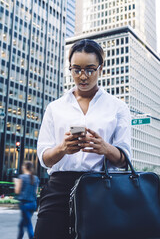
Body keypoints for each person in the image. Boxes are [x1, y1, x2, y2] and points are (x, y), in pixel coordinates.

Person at [34, 39, 131, 239]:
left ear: (100, 69)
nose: (82, 76)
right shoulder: (55, 107)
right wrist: (62, 148)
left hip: (101, 188)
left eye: (90, 69)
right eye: (76, 69)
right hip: (59, 188)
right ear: (70, 68)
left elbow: (124, 160)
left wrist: (105, 148)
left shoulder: (118, 107)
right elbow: (44, 158)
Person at [14, 161, 39, 239]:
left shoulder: (22, 177)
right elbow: (36, 192)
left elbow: (17, 191)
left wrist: (16, 183)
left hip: (25, 204)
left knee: (28, 224)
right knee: (22, 224)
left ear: (24, 167)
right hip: (33, 204)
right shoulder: (36, 178)